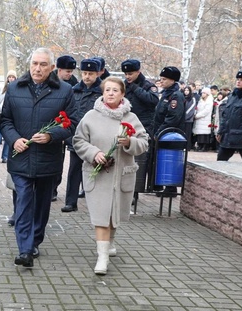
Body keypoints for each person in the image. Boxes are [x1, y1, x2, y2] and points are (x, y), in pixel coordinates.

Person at [0, 47, 78, 268]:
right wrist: (14, 139)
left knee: (42, 203)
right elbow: (5, 120)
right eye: (35, 63)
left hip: (48, 158)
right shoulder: (15, 88)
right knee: (24, 199)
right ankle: (25, 249)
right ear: (29, 64)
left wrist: (51, 135)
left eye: (43, 64)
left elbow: (71, 122)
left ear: (52, 68)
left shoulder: (64, 90)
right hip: (21, 157)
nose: (38, 68)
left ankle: (35, 240)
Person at [73, 76, 148, 275]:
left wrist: (129, 142)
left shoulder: (131, 118)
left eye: (115, 90)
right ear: (102, 93)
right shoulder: (90, 116)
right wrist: (94, 153)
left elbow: (144, 143)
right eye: (107, 90)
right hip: (97, 175)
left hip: (121, 175)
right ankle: (102, 257)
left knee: (114, 214)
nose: (111, 93)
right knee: (101, 216)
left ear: (122, 94)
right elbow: (78, 141)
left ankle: (110, 243)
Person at [61, 58, 103, 213]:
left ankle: (97, 203)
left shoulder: (102, 91)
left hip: (96, 137)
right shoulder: (74, 90)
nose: (87, 76)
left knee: (96, 171)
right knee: (74, 170)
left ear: (97, 74)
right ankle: (71, 202)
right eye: (84, 73)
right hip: (77, 137)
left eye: (90, 74)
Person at [121, 59, 158, 203]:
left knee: (139, 162)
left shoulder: (148, 86)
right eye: (126, 74)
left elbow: (153, 100)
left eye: (130, 74)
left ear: (138, 72)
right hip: (125, 126)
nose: (128, 77)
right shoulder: (124, 85)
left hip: (143, 127)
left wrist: (136, 88)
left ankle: (135, 193)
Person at [152, 66, 185, 195]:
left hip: (170, 134)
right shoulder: (166, 94)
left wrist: (160, 131)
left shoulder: (175, 96)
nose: (161, 81)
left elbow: (173, 117)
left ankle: (170, 188)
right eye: (161, 79)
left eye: (164, 79)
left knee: (169, 160)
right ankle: (163, 186)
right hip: (163, 131)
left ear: (173, 80)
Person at [50, 55, 77, 202]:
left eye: (71, 71)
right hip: (50, 123)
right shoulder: (50, 81)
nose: (70, 74)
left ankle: (54, 187)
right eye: (67, 71)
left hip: (64, 126)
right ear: (59, 70)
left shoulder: (73, 84)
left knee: (59, 160)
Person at [0, 70, 17, 163]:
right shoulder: (2, 89)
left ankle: (5, 156)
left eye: (13, 77)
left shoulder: (17, 89)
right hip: (1, 115)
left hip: (10, 116)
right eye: (9, 77)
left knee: (7, 138)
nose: (11, 79)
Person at [192, 87, 214, 152]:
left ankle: (205, 146)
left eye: (204, 93)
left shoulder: (209, 101)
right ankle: (200, 145)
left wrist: (197, 116)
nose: (202, 94)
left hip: (205, 119)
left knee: (204, 133)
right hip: (199, 119)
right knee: (199, 133)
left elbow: (206, 111)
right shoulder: (201, 100)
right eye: (202, 93)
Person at [182, 86, 197, 151]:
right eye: (185, 90)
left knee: (187, 134)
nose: (186, 92)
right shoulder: (182, 98)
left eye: (187, 90)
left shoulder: (192, 99)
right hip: (182, 119)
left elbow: (191, 109)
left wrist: (186, 116)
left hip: (188, 120)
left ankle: (187, 147)